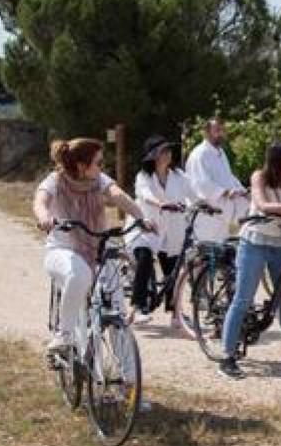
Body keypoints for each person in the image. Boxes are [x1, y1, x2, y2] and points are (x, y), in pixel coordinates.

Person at [33, 138, 150, 357]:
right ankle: (64, 335)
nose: (102, 167)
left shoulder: (98, 179)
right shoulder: (55, 181)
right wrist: (44, 217)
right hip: (62, 250)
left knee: (118, 311)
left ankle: (129, 381)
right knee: (80, 275)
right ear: (81, 166)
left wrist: (140, 216)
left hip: (97, 249)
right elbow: (40, 201)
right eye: (98, 162)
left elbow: (117, 195)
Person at [217, 142, 281, 380]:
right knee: (243, 298)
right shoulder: (260, 176)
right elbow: (263, 205)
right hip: (255, 242)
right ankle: (227, 355)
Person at [127, 135, 193, 324]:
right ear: (153, 156)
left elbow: (194, 193)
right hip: (147, 226)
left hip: (171, 228)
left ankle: (175, 312)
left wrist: (205, 204)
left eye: (169, 151)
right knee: (145, 258)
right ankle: (139, 306)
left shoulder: (179, 176)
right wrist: (161, 203)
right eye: (163, 152)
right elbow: (145, 195)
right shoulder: (143, 176)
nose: (167, 155)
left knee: (173, 269)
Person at [185, 119, 248, 243]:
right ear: (207, 133)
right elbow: (201, 184)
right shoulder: (199, 154)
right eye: (217, 130)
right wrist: (225, 192)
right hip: (207, 214)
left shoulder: (221, 152)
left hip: (221, 212)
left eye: (222, 130)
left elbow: (228, 177)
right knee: (206, 252)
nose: (221, 134)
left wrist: (243, 191)